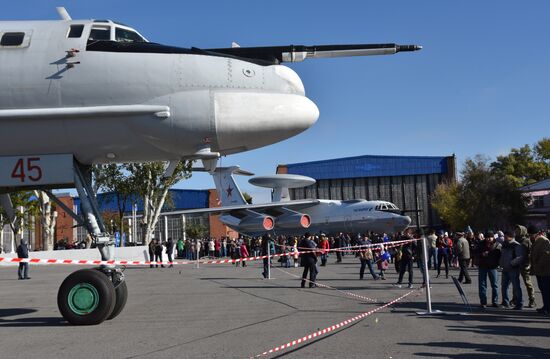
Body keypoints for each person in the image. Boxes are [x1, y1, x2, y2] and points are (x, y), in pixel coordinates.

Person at [500, 231, 525, 309]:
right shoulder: (504, 244)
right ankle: (505, 302)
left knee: (516, 287)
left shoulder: (516, 245)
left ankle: (519, 303)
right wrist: (501, 263)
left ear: (511, 237)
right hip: (505, 269)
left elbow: (520, 257)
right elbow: (502, 256)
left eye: (506, 236)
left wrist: (511, 264)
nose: (504, 238)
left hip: (513, 269)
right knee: (504, 286)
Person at [477, 231, 501, 308]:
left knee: (495, 285)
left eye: (490, 237)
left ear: (493, 237)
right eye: (487, 237)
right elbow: (475, 252)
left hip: (493, 267)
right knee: (482, 285)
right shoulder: (481, 243)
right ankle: (483, 302)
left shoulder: (497, 244)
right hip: (482, 266)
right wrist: (481, 254)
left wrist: (491, 255)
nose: (489, 239)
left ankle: (495, 301)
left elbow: (500, 255)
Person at [529, 227, 550, 315]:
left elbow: (545, 255)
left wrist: (538, 265)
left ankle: (548, 308)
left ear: (537, 233)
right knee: (542, 289)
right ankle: (546, 306)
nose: (530, 237)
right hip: (539, 270)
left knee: (546, 290)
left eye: (531, 235)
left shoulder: (544, 241)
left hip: (545, 270)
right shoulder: (536, 241)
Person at [515, 225, 536, 308]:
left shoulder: (527, 241)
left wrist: (529, 263)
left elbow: (531, 252)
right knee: (515, 283)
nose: (516, 231)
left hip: (525, 265)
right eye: (516, 230)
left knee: (528, 283)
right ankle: (515, 299)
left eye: (518, 230)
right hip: (516, 264)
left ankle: (532, 300)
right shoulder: (515, 239)